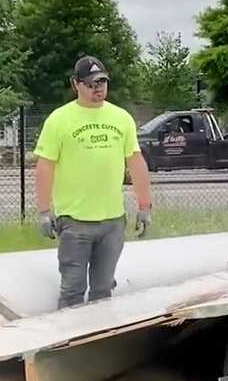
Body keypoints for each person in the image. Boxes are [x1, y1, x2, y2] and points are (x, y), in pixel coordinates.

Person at [33, 55, 154, 309]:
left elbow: (136, 162)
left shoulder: (121, 119)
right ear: (76, 84)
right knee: (73, 290)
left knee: (103, 289)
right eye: (91, 84)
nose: (98, 88)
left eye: (102, 82)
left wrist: (144, 206)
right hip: (75, 221)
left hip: (112, 221)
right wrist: (44, 211)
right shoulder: (59, 120)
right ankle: (68, 342)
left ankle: (99, 338)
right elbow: (45, 166)